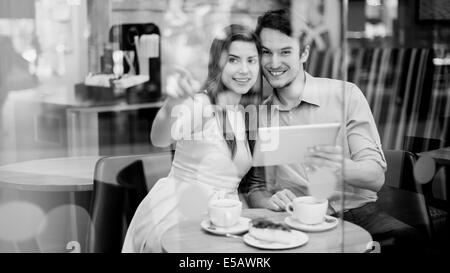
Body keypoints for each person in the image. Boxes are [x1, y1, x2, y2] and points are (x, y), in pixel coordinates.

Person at [243, 9, 427, 252]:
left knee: (411, 242)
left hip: (357, 214)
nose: (274, 63)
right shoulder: (258, 117)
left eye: (285, 52)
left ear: (304, 53)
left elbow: (375, 178)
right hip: (295, 220)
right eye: (266, 52)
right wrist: (269, 200)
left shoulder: (346, 95)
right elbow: (254, 187)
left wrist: (342, 167)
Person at [122, 24, 261, 253]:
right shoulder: (202, 104)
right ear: (218, 62)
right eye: (234, 60)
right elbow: (160, 138)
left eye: (251, 60)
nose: (244, 70)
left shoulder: (245, 112)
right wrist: (172, 105)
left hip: (223, 218)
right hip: (180, 212)